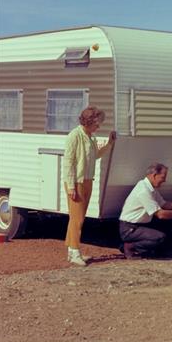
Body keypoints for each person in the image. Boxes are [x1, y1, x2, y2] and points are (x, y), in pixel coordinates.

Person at [63, 106, 116, 266]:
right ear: (89, 121)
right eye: (97, 123)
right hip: (76, 182)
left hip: (87, 181)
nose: (98, 126)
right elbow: (68, 163)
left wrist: (109, 143)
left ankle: (72, 251)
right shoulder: (75, 136)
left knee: (78, 218)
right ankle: (74, 251)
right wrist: (71, 186)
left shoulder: (91, 138)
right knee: (77, 219)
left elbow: (96, 155)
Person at [118, 163, 172, 259]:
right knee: (159, 237)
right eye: (163, 177)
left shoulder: (150, 188)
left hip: (140, 225)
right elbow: (161, 214)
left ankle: (155, 248)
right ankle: (129, 247)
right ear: (154, 175)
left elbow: (164, 204)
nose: (164, 180)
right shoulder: (143, 190)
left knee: (169, 221)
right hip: (129, 229)